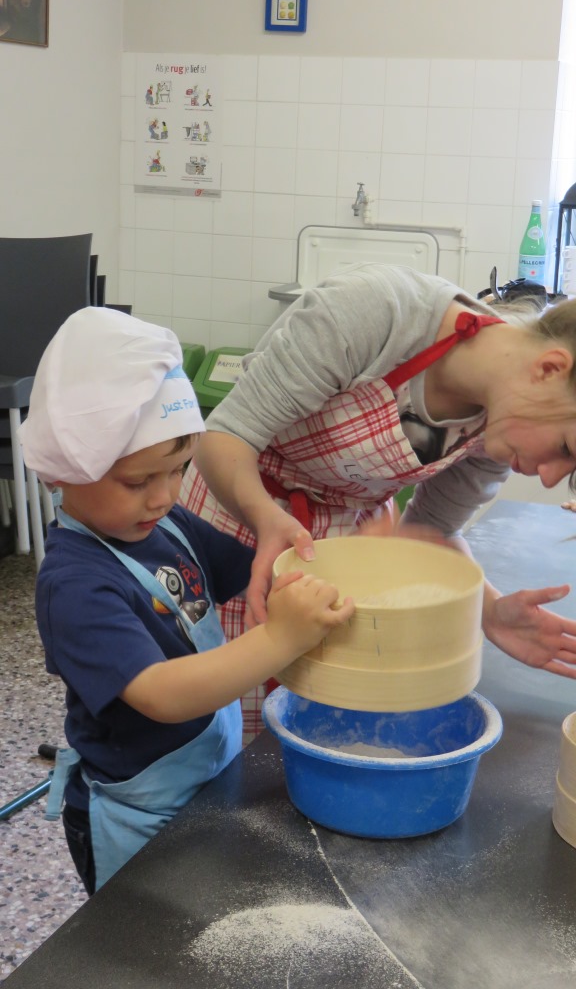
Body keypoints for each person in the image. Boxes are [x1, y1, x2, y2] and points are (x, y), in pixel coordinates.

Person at [19, 307, 354, 895]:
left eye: (176, 471)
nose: (164, 496)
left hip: (208, 784)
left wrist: (291, 574)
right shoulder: (74, 584)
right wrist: (278, 638)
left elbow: (245, 572)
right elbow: (163, 695)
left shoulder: (168, 524)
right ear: (62, 471)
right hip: (139, 816)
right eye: (138, 481)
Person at [178, 262, 576, 736]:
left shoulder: (497, 436)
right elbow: (225, 438)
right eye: (566, 448)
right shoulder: (377, 312)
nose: (550, 478)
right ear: (550, 368)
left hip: (349, 548)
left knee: (316, 725)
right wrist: (266, 519)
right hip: (231, 519)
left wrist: (485, 608)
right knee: (209, 728)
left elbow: (428, 534)